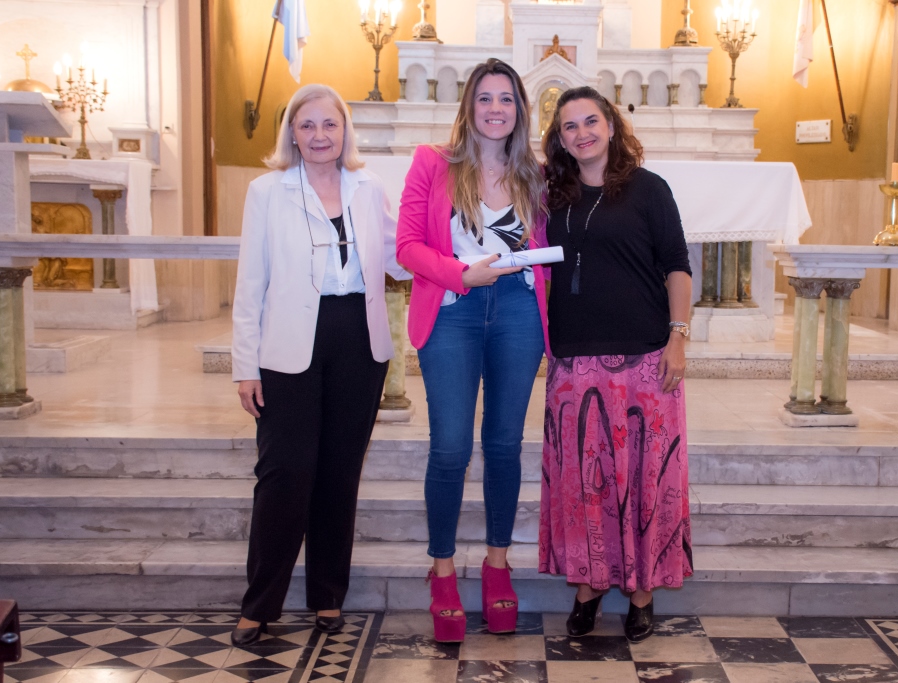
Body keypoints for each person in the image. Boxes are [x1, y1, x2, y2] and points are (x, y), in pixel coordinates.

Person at [230, 84, 409, 647]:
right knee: (284, 474)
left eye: (328, 125)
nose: (318, 136)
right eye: (306, 126)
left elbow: (400, 256)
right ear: (291, 133)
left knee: (339, 473)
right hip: (288, 346)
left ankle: (327, 596)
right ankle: (261, 604)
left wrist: (460, 246)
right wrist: (244, 363)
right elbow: (250, 281)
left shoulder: (368, 186)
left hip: (358, 339)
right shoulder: (267, 191)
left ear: (344, 130)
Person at [396, 58, 548, 643]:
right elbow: (408, 246)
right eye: (484, 98)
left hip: (516, 310)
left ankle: (496, 563)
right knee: (451, 448)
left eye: (505, 99)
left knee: (505, 445)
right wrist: (462, 273)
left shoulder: (536, 173)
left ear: (519, 109)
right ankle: (440, 572)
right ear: (468, 105)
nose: (494, 109)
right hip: (454, 309)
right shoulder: (432, 164)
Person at [538, 86, 693, 643]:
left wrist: (678, 337)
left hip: (645, 359)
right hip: (575, 361)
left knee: (644, 481)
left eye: (590, 121)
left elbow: (677, 266)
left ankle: (642, 591)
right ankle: (588, 585)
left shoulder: (649, 190)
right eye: (568, 127)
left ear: (611, 126)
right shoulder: (551, 195)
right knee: (585, 482)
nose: (581, 133)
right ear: (558, 140)